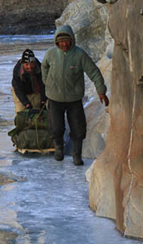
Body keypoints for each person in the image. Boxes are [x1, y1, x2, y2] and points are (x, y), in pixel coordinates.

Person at [41, 24, 109, 166]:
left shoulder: (79, 55)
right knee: (56, 127)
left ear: (72, 40)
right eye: (61, 41)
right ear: (56, 42)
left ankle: (76, 155)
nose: (64, 44)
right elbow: (44, 66)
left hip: (74, 98)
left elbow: (94, 72)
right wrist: (46, 81)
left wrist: (101, 90)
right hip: (54, 98)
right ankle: (58, 148)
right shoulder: (51, 54)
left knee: (78, 128)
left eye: (67, 41)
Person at [11, 49, 47, 113]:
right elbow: (18, 90)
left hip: (36, 91)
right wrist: (26, 104)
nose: (29, 67)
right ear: (23, 64)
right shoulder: (17, 71)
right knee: (22, 114)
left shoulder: (40, 68)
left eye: (31, 63)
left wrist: (43, 101)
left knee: (39, 113)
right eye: (26, 64)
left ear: (34, 62)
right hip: (21, 92)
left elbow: (43, 85)